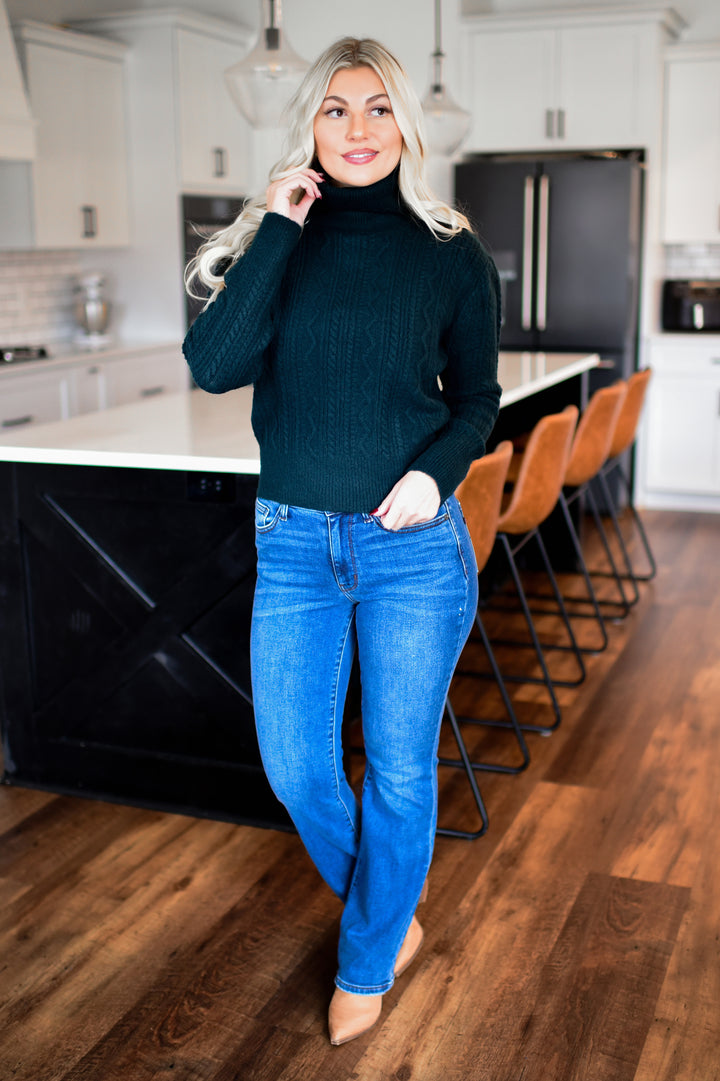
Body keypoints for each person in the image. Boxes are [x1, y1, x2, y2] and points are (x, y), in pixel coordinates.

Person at [182, 36, 501, 1046]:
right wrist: (277, 225)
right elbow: (214, 364)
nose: (357, 130)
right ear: (308, 127)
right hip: (294, 544)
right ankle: (389, 901)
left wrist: (432, 470)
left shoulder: (451, 250)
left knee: (401, 773)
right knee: (298, 769)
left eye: (375, 108)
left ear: (404, 122)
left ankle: (369, 953)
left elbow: (478, 399)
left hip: (412, 548)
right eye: (334, 111)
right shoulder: (281, 237)